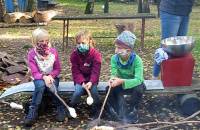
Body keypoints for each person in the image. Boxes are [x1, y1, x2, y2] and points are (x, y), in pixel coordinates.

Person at [24, 28, 66, 126]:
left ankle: (60, 108)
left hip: (52, 76)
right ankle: (33, 111)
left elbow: (57, 68)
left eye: (46, 41)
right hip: (39, 77)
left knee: (52, 87)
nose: (44, 43)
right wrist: (44, 77)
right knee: (40, 86)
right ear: (35, 42)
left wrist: (51, 76)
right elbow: (34, 72)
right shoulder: (31, 54)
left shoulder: (53, 52)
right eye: (41, 41)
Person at [106, 30, 145, 124]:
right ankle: (118, 111)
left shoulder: (137, 60)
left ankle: (133, 111)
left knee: (139, 89)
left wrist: (122, 81)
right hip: (121, 83)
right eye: (116, 47)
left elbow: (138, 79)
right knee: (109, 88)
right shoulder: (114, 58)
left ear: (129, 50)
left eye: (119, 48)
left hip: (135, 84)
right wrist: (112, 79)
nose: (116, 50)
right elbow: (114, 73)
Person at [152, 0, 194, 79]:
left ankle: (174, 77)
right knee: (166, 47)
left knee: (181, 48)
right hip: (171, 10)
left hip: (185, 12)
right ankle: (155, 76)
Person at [70, 30, 102, 118]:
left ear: (89, 41)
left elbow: (96, 71)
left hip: (92, 79)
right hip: (80, 80)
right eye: (78, 43)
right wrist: (82, 82)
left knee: (94, 92)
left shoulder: (96, 54)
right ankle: (71, 107)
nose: (81, 45)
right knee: (77, 92)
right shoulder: (74, 55)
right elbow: (75, 71)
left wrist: (91, 82)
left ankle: (96, 108)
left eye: (83, 43)